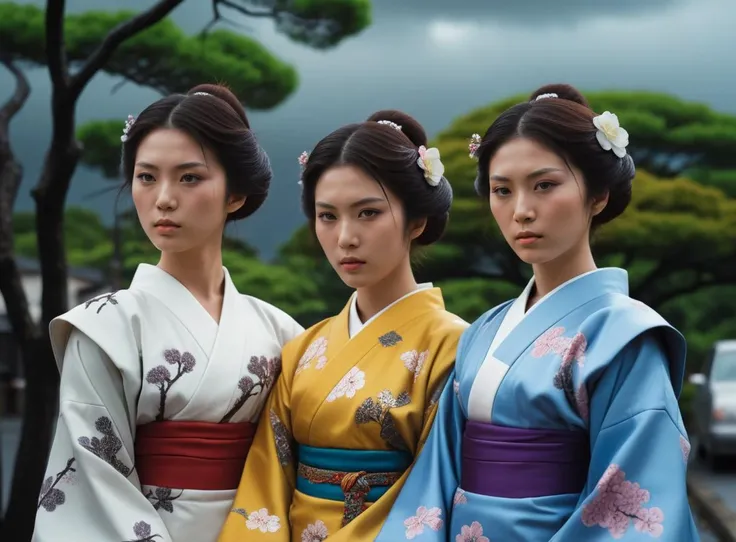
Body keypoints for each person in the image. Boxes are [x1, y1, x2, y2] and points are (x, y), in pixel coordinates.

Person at [376, 84, 699, 541]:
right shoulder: (483, 332)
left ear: (598, 195)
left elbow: (635, 497)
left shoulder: (625, 337)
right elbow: (436, 475)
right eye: (501, 190)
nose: (522, 211)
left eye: (545, 185)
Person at [33, 84, 303, 542]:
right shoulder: (104, 327)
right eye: (146, 177)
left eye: (189, 177)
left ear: (235, 194)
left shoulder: (280, 331)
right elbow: (94, 480)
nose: (163, 199)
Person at [217, 110, 468, 541]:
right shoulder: (302, 349)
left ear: (417, 221)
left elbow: (434, 486)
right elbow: (267, 481)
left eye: (367, 213)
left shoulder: (454, 345)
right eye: (327, 216)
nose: (345, 237)